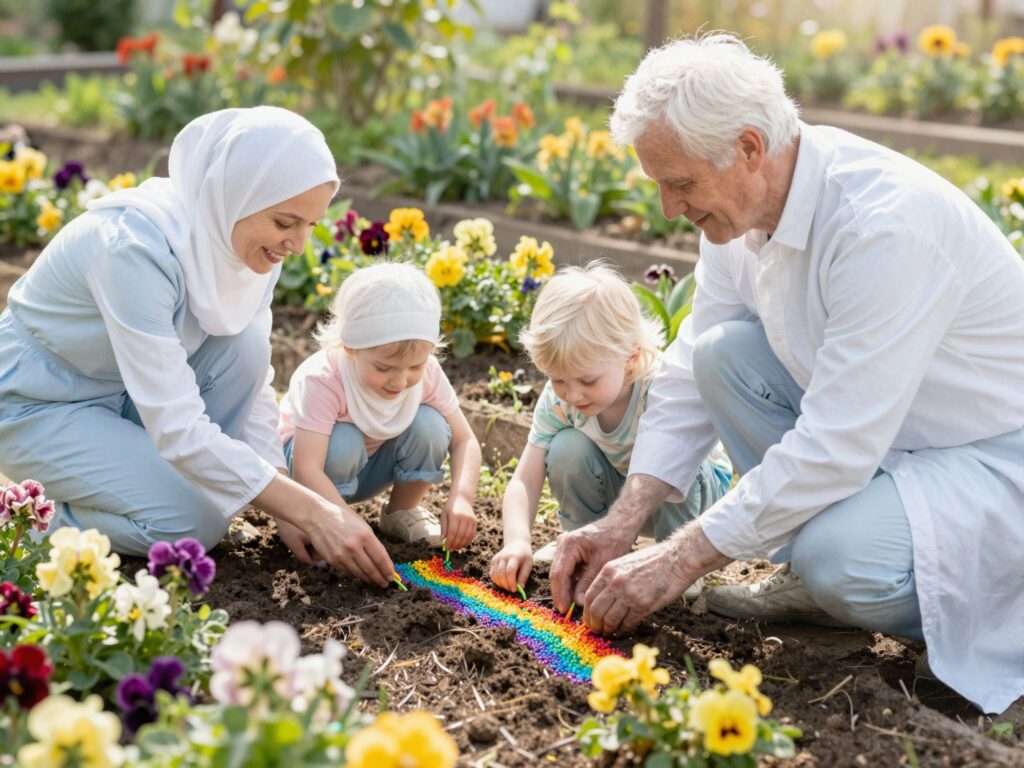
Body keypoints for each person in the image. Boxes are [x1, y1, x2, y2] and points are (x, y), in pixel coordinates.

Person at [548, 33, 1024, 714]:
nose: (668, 209)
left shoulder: (880, 229)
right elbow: (686, 371)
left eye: (679, 183)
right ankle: (824, 566)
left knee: (842, 562)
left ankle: (884, 584)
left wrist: (678, 560)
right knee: (719, 353)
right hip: (889, 440)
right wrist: (623, 522)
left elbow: (835, 446)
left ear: (748, 148)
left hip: (989, 459)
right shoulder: (744, 216)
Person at [0, 107, 398, 588]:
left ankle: (131, 484)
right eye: (285, 221)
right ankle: (25, 521)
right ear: (236, 194)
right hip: (39, 403)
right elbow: (178, 425)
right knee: (193, 522)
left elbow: (252, 384)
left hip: (125, 393)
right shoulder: (134, 249)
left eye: (309, 226)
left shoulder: (242, 242)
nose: (295, 245)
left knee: (245, 347)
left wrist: (286, 503)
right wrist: (313, 511)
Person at [489, 263, 729, 595]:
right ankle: (583, 545)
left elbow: (690, 450)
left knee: (678, 454)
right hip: (624, 499)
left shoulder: (658, 387)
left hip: (693, 499)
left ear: (631, 356)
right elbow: (525, 479)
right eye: (558, 379)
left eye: (588, 380)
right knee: (566, 449)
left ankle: (675, 559)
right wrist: (517, 541)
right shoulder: (559, 401)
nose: (572, 394)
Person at [279, 262, 481, 551]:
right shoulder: (324, 380)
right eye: (384, 367)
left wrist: (461, 498)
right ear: (350, 347)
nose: (399, 381)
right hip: (309, 477)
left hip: (369, 467)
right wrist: (346, 523)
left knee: (431, 425)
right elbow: (306, 470)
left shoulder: (427, 375)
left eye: (415, 366)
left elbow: (465, 440)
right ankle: (326, 523)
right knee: (344, 441)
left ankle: (401, 511)